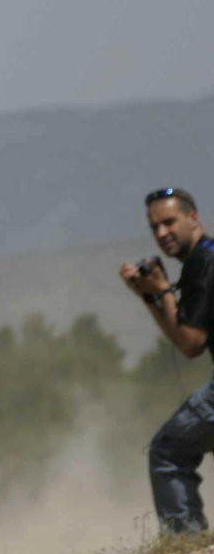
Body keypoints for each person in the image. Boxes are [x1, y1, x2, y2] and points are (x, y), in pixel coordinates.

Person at [119, 187, 214, 531]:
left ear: (193, 217)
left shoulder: (204, 262)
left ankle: (186, 544)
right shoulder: (201, 260)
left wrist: (159, 291)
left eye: (169, 222)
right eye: (154, 227)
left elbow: (190, 344)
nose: (162, 234)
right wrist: (152, 299)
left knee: (168, 452)